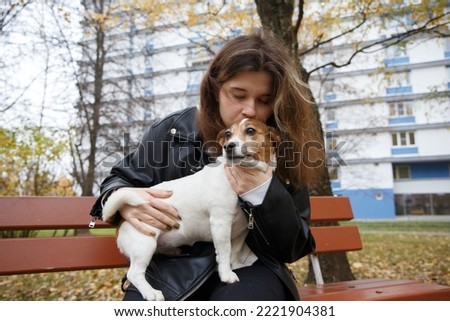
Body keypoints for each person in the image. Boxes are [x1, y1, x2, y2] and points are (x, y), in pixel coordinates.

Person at [90, 28, 324, 301]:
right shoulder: (172, 131)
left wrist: (262, 192)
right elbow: (117, 180)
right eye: (238, 95)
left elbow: (293, 247)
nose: (250, 109)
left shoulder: (282, 146)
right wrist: (127, 204)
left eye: (264, 100)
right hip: (171, 268)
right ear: (215, 89)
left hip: (252, 267)